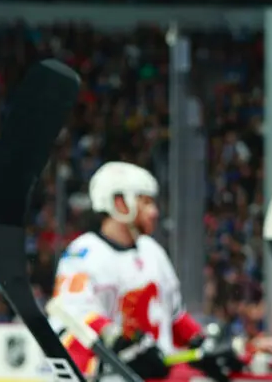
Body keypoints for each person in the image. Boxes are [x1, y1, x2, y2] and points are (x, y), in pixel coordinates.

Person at [50, 161, 240, 380]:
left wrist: (201, 341)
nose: (154, 212)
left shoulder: (153, 251)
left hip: (158, 374)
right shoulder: (83, 254)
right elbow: (74, 318)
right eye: (146, 202)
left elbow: (174, 316)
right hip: (112, 376)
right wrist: (123, 344)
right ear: (120, 203)